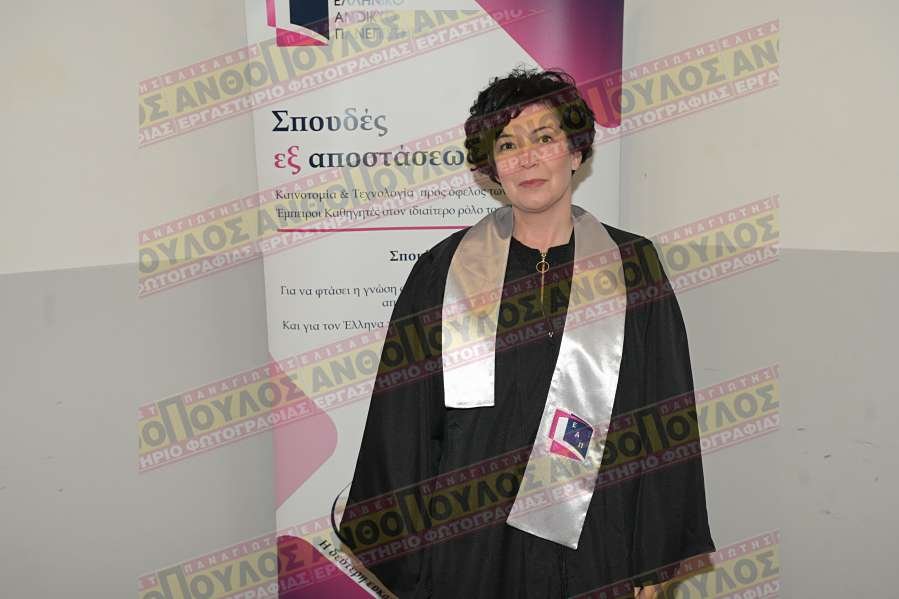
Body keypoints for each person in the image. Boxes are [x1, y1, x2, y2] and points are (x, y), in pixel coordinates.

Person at [333, 67, 716, 599]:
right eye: (508, 145)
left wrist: (652, 561)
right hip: (468, 536)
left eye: (544, 138)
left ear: (575, 152)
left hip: (596, 530)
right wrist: (410, 560)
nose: (527, 159)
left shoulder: (631, 265)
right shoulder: (442, 271)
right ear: (492, 166)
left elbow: (663, 410)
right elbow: (402, 421)